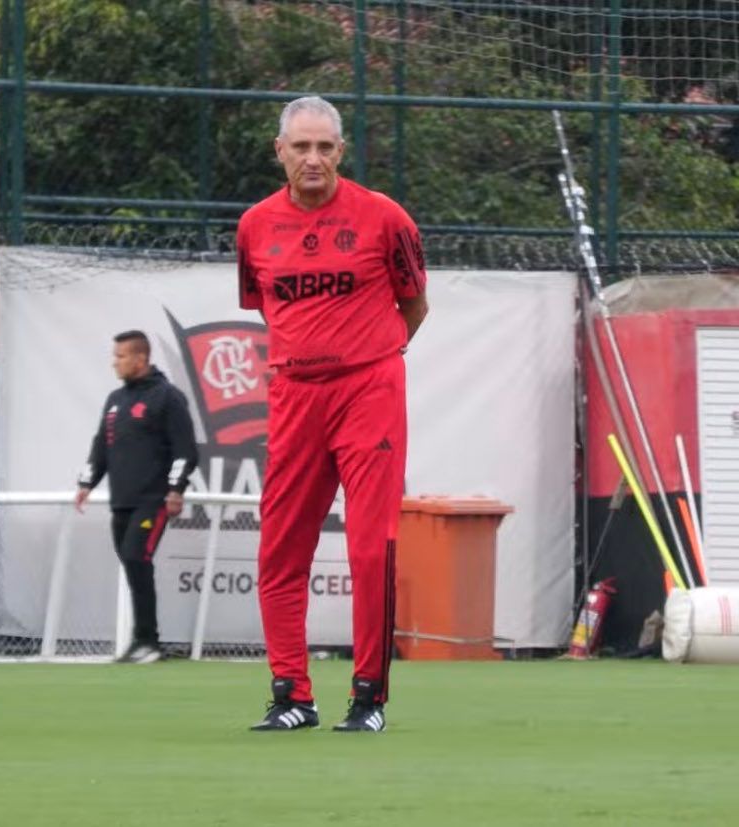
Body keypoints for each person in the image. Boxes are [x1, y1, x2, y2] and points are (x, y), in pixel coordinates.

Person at [237, 96, 429, 732]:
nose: (313, 158)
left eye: (325, 147)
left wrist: (365, 356)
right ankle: (292, 693)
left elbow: (414, 306)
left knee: (371, 548)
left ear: (341, 152)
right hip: (294, 395)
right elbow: (271, 309)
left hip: (368, 390)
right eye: (301, 147)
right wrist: (311, 356)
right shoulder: (255, 227)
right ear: (279, 151)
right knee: (279, 550)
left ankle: (368, 696)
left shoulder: (384, 219)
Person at [75, 330, 198, 664]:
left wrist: (176, 490)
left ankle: (148, 641)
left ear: (140, 359)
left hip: (153, 500)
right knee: (132, 564)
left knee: (135, 557)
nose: (115, 363)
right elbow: (102, 443)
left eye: (121, 356)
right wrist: (87, 482)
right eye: (115, 356)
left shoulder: (167, 397)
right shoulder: (115, 400)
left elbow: (185, 450)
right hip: (122, 500)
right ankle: (144, 641)